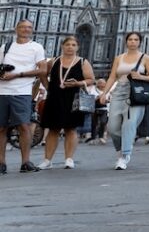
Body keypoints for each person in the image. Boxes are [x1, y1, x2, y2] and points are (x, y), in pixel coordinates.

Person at [96, 32, 149, 170]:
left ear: (139, 42)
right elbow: (112, 77)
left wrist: (140, 76)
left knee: (129, 123)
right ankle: (120, 151)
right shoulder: (119, 58)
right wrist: (104, 93)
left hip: (136, 94)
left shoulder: (145, 58)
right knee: (112, 127)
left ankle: (125, 155)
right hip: (118, 93)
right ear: (126, 41)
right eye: (130, 39)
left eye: (136, 40)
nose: (133, 42)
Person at [38, 36, 95, 170]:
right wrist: (48, 87)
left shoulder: (82, 62)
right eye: (67, 44)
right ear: (62, 46)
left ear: (77, 47)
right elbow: (42, 74)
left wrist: (78, 83)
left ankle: (69, 159)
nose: (70, 47)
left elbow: (91, 79)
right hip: (55, 98)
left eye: (73, 45)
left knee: (71, 128)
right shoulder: (54, 61)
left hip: (73, 98)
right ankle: (47, 160)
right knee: (53, 129)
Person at [0, 19, 49, 174]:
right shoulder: (5, 47)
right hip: (2, 91)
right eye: (23, 27)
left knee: (24, 126)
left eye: (29, 27)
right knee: (1, 128)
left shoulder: (36, 47)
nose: (26, 30)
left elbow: (42, 70)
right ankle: (1, 162)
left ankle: (26, 162)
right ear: (17, 29)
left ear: (32, 30)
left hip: (22, 92)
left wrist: (17, 75)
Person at [90, 78, 109, 144]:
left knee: (103, 122)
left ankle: (101, 137)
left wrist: (107, 100)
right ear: (98, 84)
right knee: (94, 124)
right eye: (101, 83)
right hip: (95, 109)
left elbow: (109, 99)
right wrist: (99, 97)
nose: (103, 84)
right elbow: (92, 98)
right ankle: (93, 138)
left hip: (104, 109)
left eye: (104, 83)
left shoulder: (107, 90)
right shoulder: (93, 90)